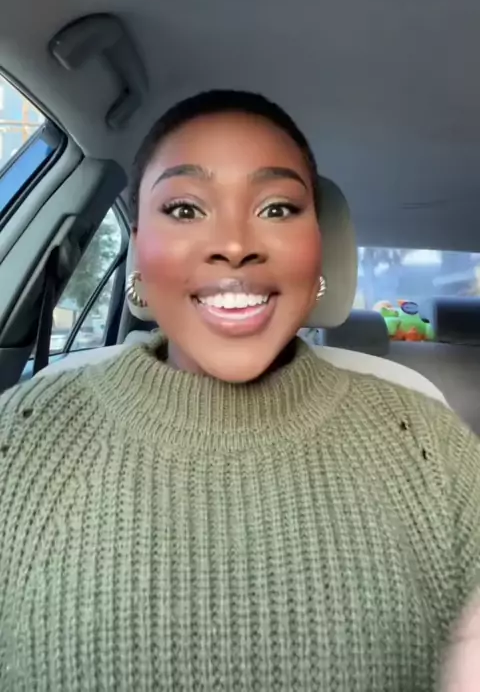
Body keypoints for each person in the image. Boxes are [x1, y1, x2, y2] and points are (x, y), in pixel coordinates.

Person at [0, 90, 478, 691]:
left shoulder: (429, 446)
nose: (233, 243)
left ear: (318, 251)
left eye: (277, 208)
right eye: (184, 208)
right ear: (138, 251)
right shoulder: (20, 439)